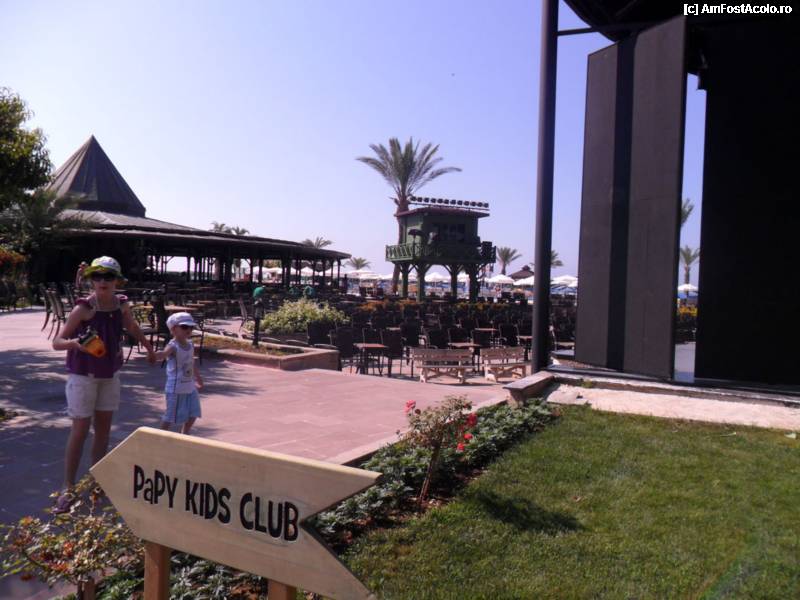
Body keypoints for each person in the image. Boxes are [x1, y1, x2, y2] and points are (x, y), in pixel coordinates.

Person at [52, 256, 156, 512]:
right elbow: (57, 342)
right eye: (97, 276)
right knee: (80, 430)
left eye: (108, 276)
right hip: (83, 375)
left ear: (116, 281)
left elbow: (131, 325)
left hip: (109, 374)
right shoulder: (84, 308)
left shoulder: (121, 305)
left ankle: (97, 481)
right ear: (91, 280)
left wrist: (149, 347)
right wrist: (76, 343)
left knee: (103, 431)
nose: (102, 281)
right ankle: (68, 486)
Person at [154, 312, 203, 435]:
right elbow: (163, 354)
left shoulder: (190, 344)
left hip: (190, 386)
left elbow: (191, 362)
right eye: (184, 327)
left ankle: (185, 433)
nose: (188, 330)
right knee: (170, 415)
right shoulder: (173, 346)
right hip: (176, 388)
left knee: (194, 412)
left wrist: (198, 378)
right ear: (173, 329)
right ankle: (159, 437)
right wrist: (154, 355)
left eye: (191, 327)